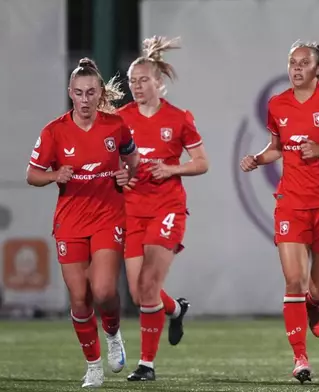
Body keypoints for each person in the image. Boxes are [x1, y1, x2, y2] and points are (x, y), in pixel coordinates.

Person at [239, 41, 319, 383]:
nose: (296, 68)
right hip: (292, 202)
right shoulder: (277, 104)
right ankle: (300, 359)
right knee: (294, 281)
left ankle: (313, 306)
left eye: (303, 63)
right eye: (291, 63)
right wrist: (258, 158)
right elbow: (278, 148)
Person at [26, 58, 139, 388]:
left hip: (107, 215)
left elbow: (132, 158)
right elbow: (31, 175)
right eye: (79, 93)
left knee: (104, 290)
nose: (86, 99)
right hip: (70, 220)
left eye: (91, 92)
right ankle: (93, 366)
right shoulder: (54, 131)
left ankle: (114, 333)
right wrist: (53, 175)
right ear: (70, 94)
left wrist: (126, 173)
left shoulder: (115, 126)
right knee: (79, 299)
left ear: (100, 93)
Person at [118, 36, 209, 382]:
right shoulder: (119, 119)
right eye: (132, 81)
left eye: (143, 80)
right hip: (131, 209)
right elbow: (110, 162)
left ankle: (147, 365)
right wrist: (119, 177)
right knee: (141, 291)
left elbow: (202, 163)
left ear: (159, 83)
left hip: (166, 207)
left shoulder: (179, 119)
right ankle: (176, 309)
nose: (136, 86)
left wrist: (172, 169)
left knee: (149, 281)